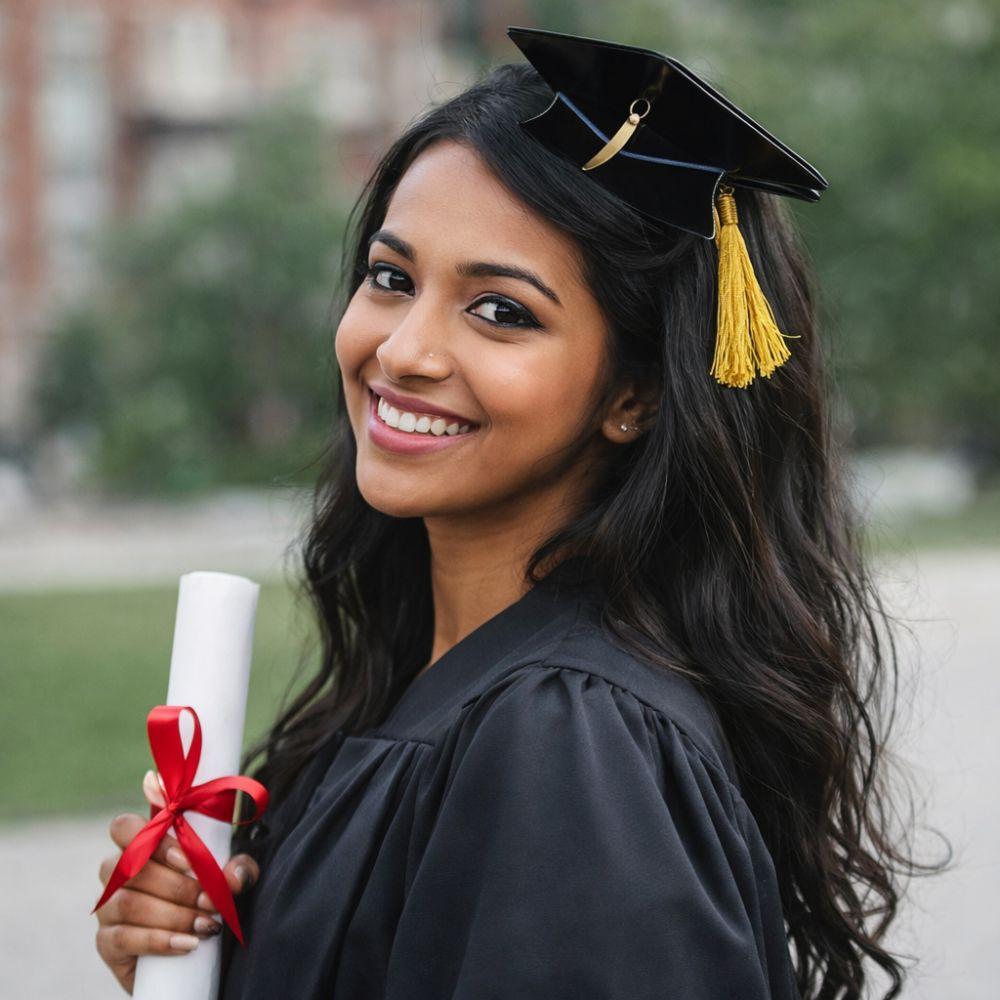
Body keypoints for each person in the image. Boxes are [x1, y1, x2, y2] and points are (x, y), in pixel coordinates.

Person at [95, 27, 927, 1000]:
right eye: (391, 278)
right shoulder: (425, 686)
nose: (402, 349)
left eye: (500, 311)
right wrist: (206, 955)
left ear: (637, 394)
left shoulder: (573, 738)